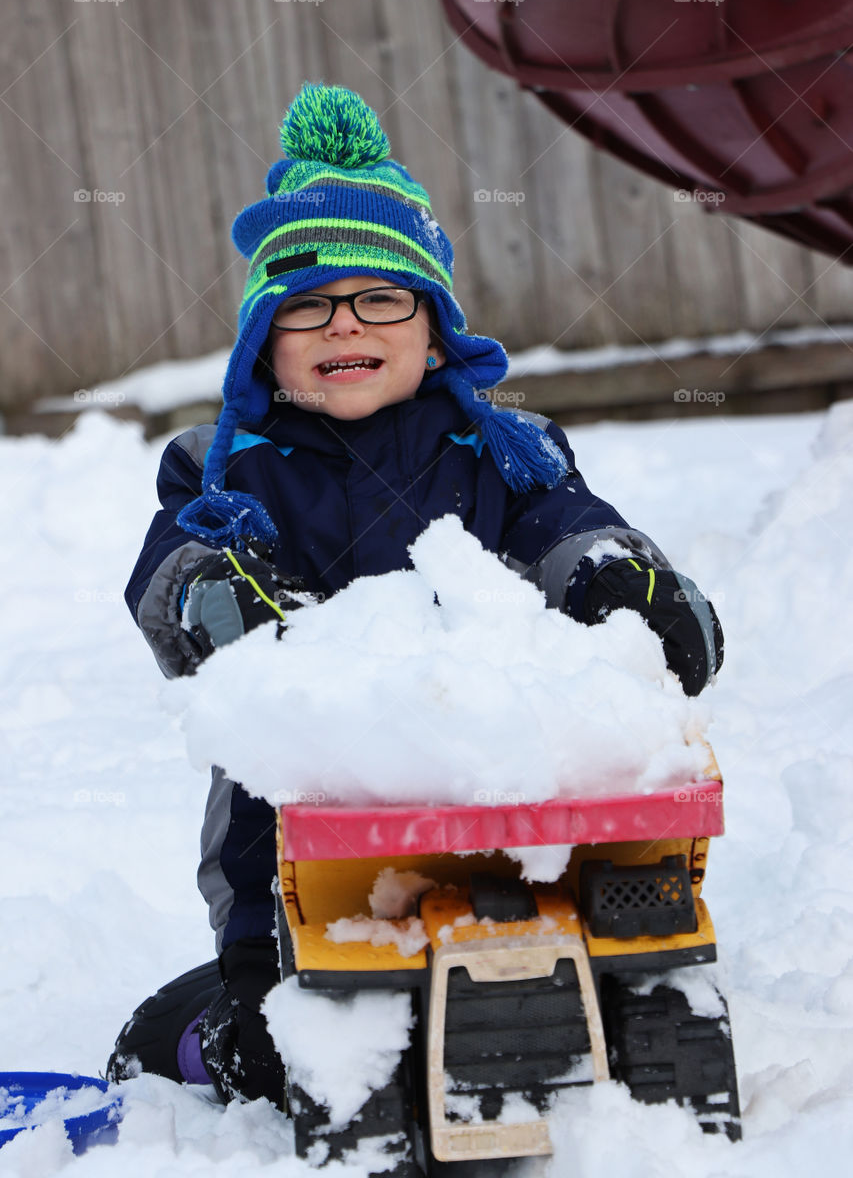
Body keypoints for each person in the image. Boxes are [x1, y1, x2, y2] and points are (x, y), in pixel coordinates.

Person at [108, 83, 723, 1106]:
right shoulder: (226, 470)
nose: (342, 321)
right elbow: (173, 565)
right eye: (305, 303)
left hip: (508, 835)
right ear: (265, 339)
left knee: (593, 985)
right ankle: (194, 1033)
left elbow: (567, 529)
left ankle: (602, 1012)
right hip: (292, 857)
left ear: (432, 329)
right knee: (285, 1052)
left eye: (379, 297)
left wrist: (623, 580)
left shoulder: (504, 453)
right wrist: (213, 593)